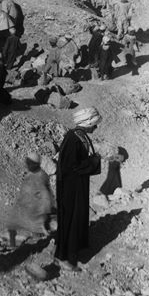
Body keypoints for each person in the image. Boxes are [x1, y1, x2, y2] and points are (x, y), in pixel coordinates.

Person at [54, 107, 102, 271]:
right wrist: (94, 162)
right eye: (94, 124)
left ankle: (69, 252)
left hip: (76, 185)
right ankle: (64, 258)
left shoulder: (79, 136)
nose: (95, 127)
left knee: (76, 217)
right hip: (70, 188)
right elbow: (70, 166)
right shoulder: (73, 139)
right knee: (70, 219)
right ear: (88, 122)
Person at [6, 154, 54, 248]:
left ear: (37, 164)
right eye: (28, 162)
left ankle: (38, 247)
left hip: (35, 208)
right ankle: (12, 245)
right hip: (24, 205)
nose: (28, 165)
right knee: (12, 224)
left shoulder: (41, 176)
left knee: (35, 229)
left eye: (30, 163)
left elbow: (46, 196)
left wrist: (44, 213)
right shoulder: (31, 173)